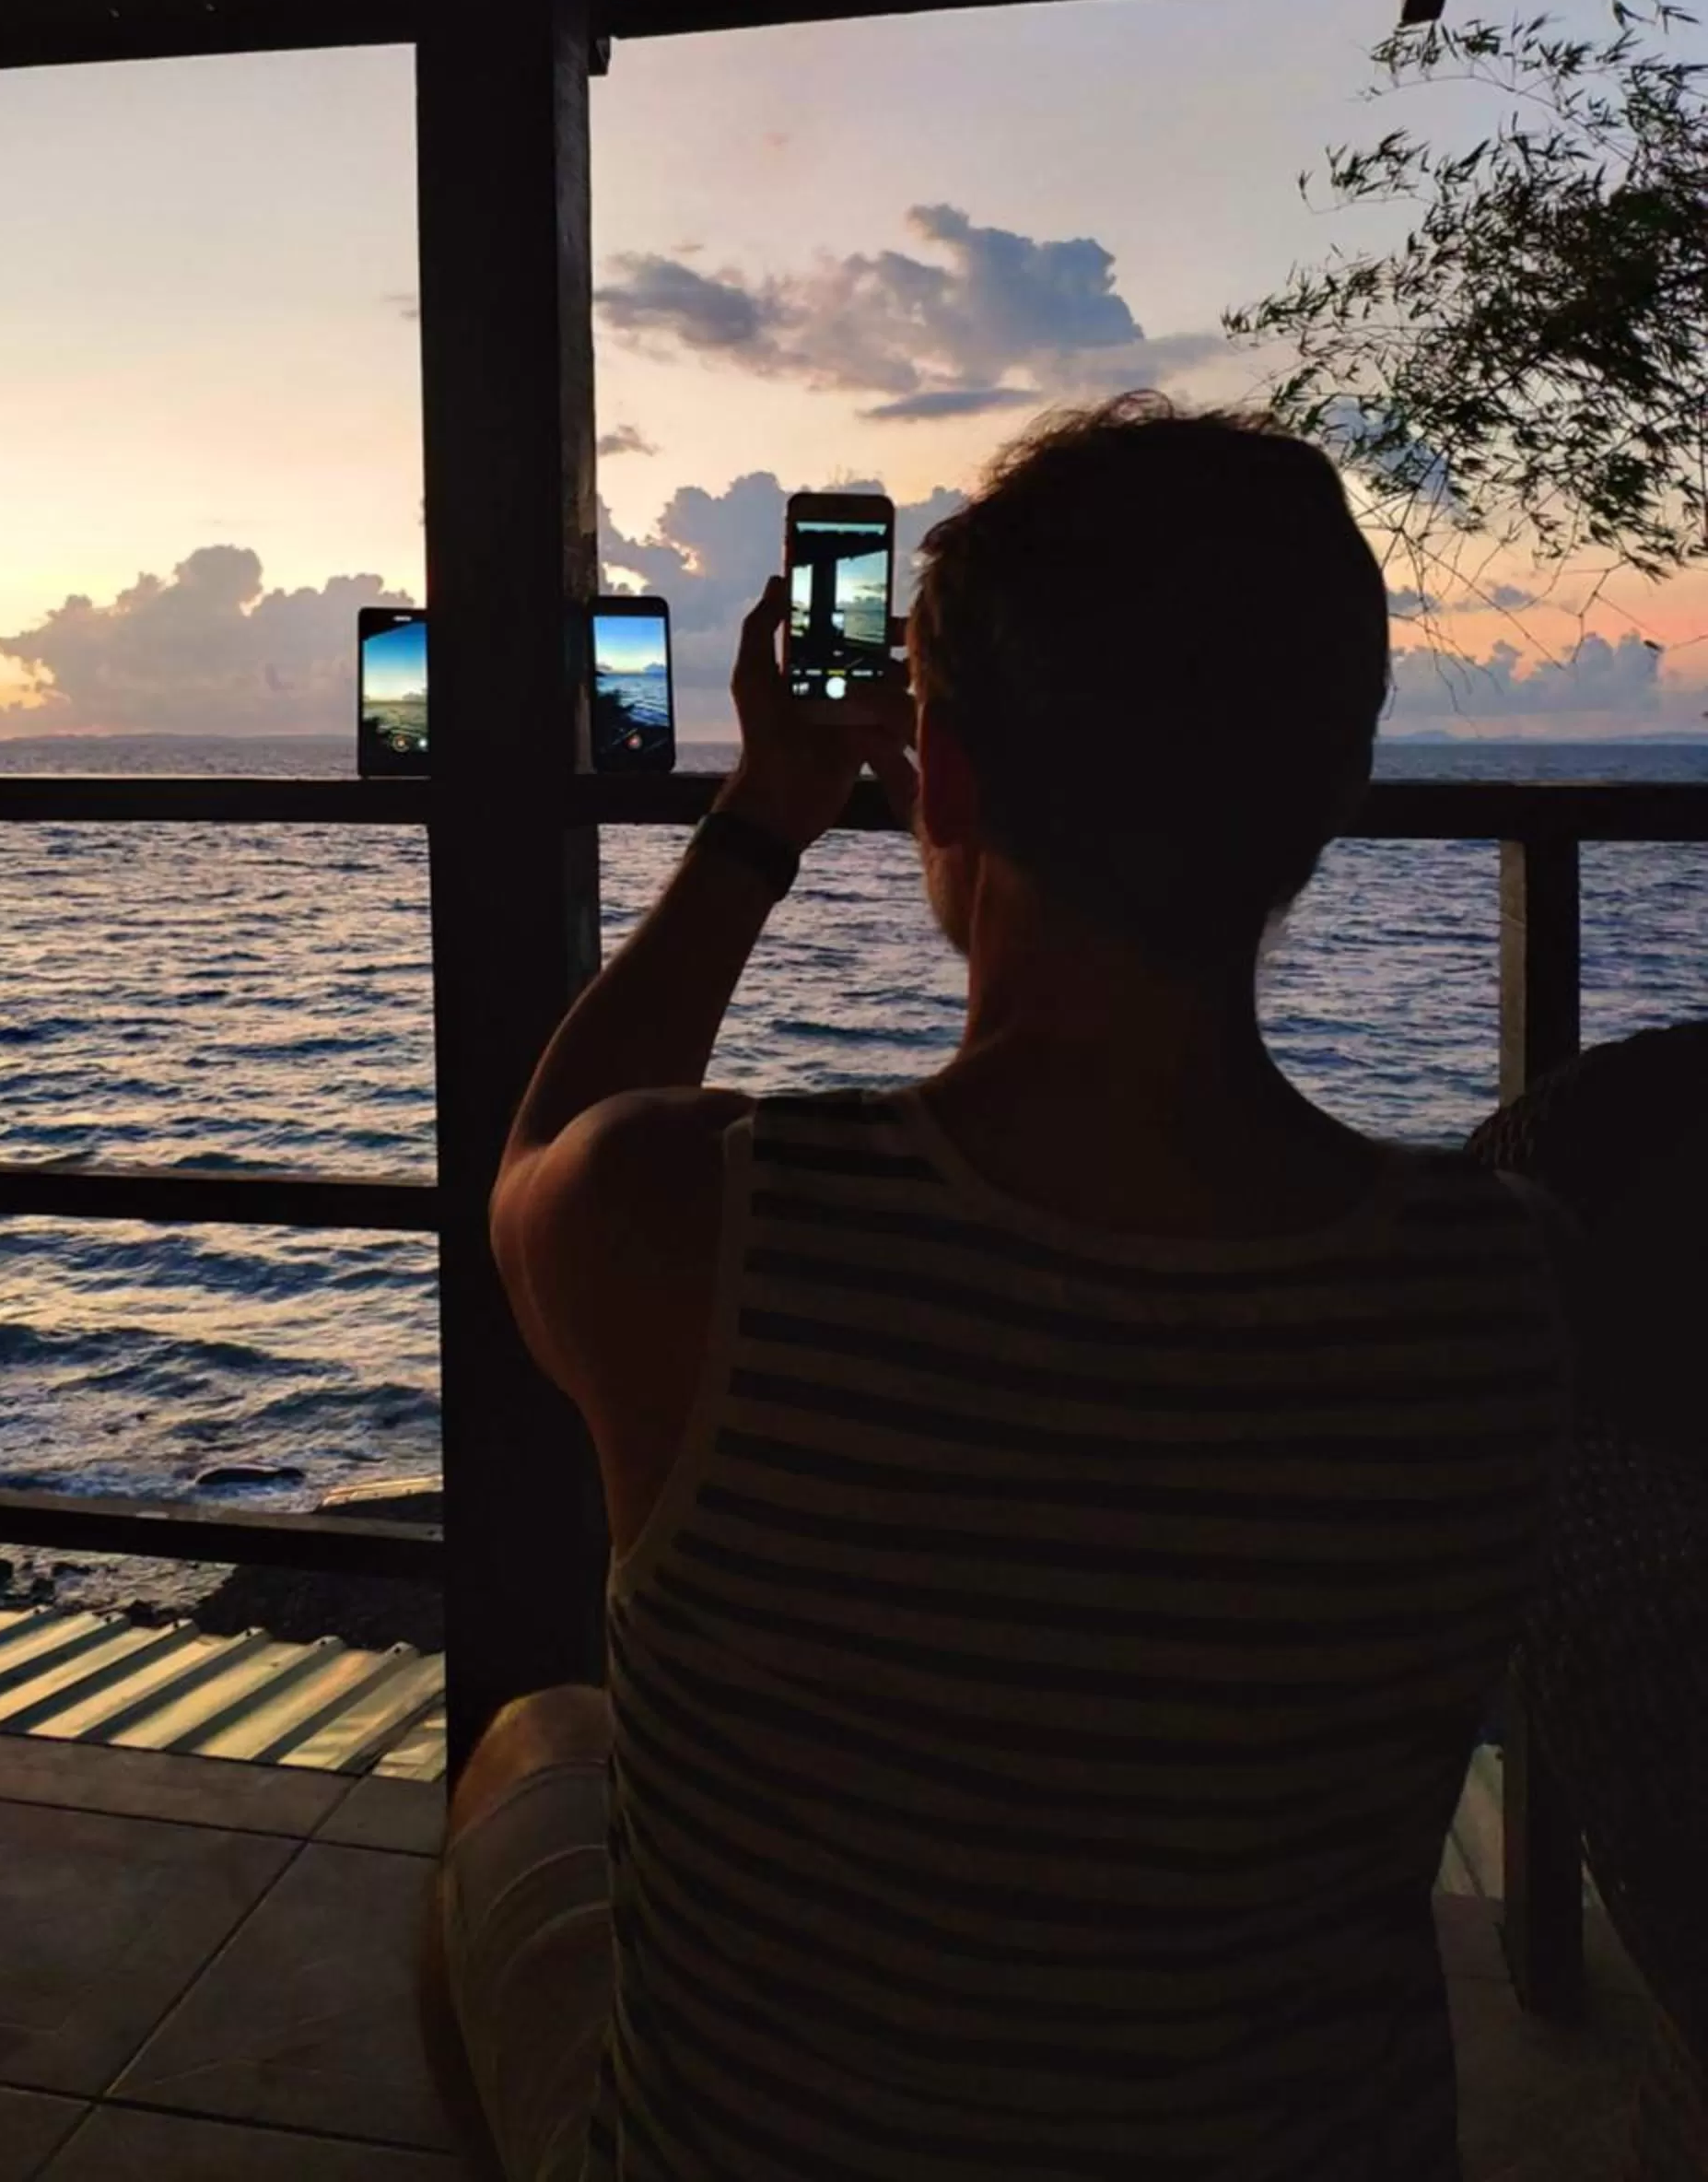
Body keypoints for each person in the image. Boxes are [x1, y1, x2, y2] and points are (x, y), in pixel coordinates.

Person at [432, 394, 1574, 2181]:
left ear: (943, 775)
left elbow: (534, 1171)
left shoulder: (709, 1221)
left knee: (532, 1750)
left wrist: (765, 812)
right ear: (1326, 799)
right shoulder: (1497, 1283)